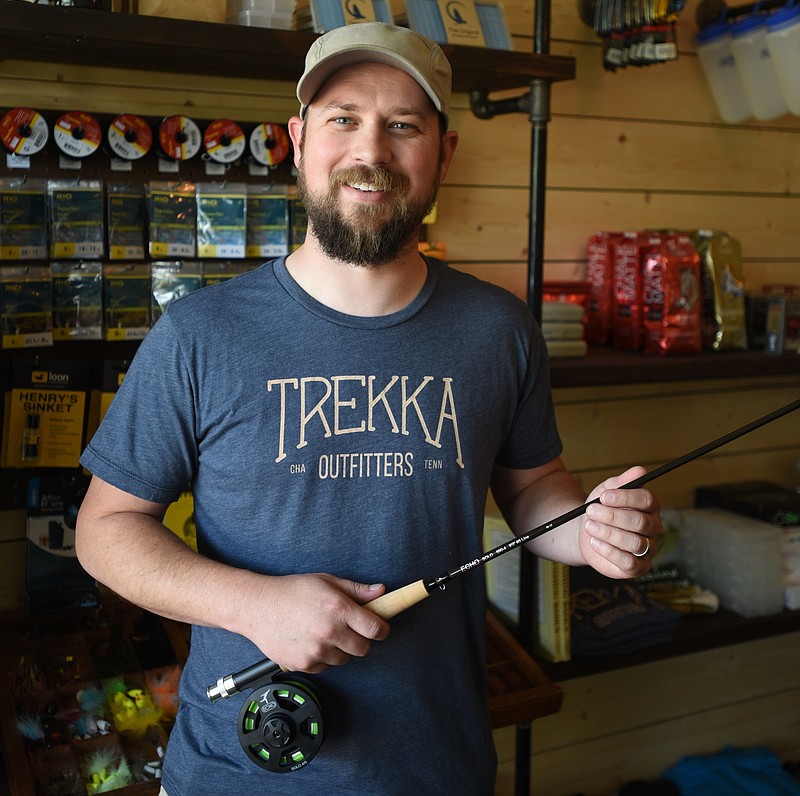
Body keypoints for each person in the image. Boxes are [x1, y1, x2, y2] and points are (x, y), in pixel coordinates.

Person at [76, 21, 663, 796]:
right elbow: (105, 531)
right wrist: (253, 604)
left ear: (443, 154)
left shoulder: (498, 329)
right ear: (298, 138)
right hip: (239, 771)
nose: (371, 152)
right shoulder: (199, 334)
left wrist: (587, 530)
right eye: (344, 118)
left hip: (435, 764)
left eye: (404, 126)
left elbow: (529, 489)